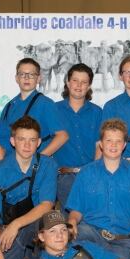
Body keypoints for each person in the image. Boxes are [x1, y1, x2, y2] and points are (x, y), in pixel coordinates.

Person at [0, 116, 58, 259]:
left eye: (32, 140)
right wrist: (0, 258)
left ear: (39, 142)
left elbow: (47, 205)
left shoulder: (48, 165)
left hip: (39, 222)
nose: (27, 145)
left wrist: (16, 224)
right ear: (12, 141)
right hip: (5, 228)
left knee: (55, 230)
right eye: (21, 139)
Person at [66, 119, 130, 259]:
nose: (113, 145)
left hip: (122, 241)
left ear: (124, 145)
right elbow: (76, 209)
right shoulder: (86, 173)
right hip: (91, 234)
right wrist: (72, 221)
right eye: (109, 140)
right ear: (101, 144)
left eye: (118, 141)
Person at [52, 64, 102, 212]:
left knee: (89, 221)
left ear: (89, 86)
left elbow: (99, 145)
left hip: (90, 176)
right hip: (63, 178)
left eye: (84, 82)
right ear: (67, 82)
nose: (79, 85)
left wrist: (95, 175)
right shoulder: (53, 110)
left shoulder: (97, 112)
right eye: (75, 80)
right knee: (70, 223)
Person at [0, 58, 68, 155]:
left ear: (38, 79)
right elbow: (3, 138)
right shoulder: (9, 107)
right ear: (16, 78)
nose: (26, 78)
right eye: (22, 74)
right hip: (13, 165)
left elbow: (62, 136)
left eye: (31, 75)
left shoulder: (46, 104)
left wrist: (38, 160)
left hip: (36, 168)